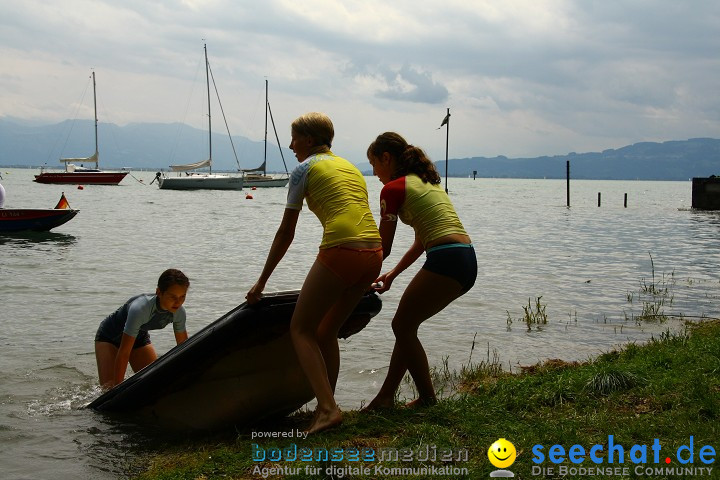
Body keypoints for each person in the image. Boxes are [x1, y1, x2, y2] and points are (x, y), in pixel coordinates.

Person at [246, 112, 382, 433]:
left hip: (341, 248)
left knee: (301, 329)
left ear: (308, 139)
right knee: (326, 330)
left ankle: (327, 408)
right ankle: (328, 406)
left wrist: (261, 282)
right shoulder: (350, 167)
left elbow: (285, 232)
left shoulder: (303, 169)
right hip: (373, 252)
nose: (291, 145)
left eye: (294, 138)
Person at [364, 132, 477, 410]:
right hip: (465, 259)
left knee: (402, 325)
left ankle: (427, 399)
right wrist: (392, 275)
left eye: (374, 163)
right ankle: (385, 398)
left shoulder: (392, 190)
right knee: (407, 326)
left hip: (446, 259)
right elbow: (421, 240)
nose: (374, 171)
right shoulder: (427, 184)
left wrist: (357, 281)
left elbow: (383, 246)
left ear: (386, 158)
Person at [94, 268, 190, 388]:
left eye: (182, 297)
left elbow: (184, 348)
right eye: (173, 297)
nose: (178, 302)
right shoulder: (140, 309)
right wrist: (117, 388)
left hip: (138, 337)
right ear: (159, 292)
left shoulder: (179, 313)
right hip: (109, 337)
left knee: (156, 383)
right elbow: (124, 353)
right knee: (109, 388)